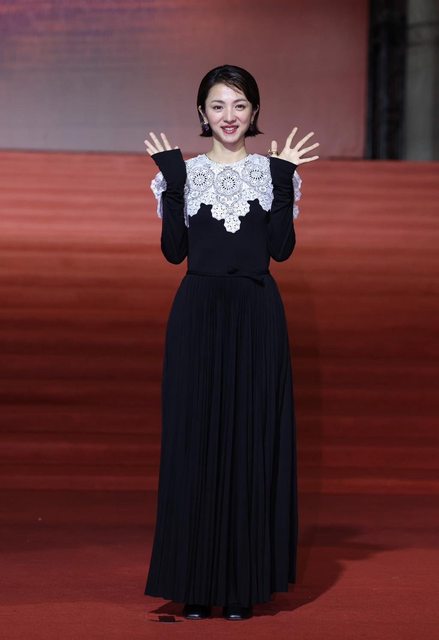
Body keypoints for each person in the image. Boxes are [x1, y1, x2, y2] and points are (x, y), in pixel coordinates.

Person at [143, 64, 319, 622]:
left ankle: (243, 584)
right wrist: (173, 181)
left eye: (239, 105)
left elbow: (281, 250)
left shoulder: (272, 172)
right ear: (202, 112)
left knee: (251, 442)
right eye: (218, 105)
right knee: (194, 443)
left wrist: (286, 178)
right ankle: (194, 584)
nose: (228, 116)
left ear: (254, 112)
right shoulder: (185, 174)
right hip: (197, 315)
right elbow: (174, 252)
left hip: (256, 315)